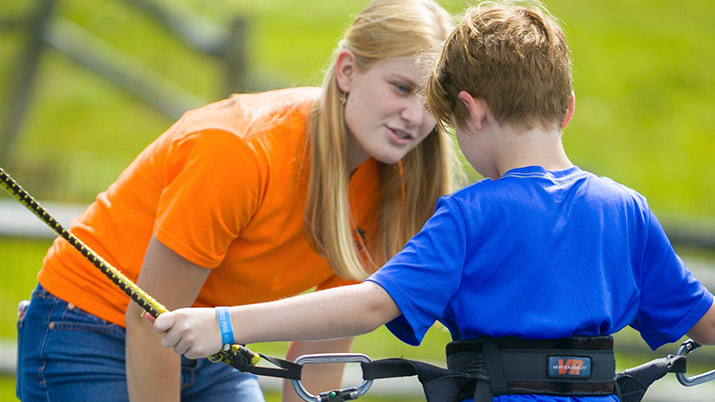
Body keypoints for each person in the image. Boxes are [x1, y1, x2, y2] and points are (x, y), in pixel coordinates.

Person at [152, 2, 715, 402]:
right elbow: (705, 321)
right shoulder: (627, 211)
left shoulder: (470, 217)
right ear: (567, 107)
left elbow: (369, 305)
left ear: (469, 111)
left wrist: (224, 324)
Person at [15, 1, 462, 401]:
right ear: (347, 70)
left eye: (431, 100)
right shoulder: (240, 150)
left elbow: (320, 356)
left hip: (204, 342)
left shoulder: (398, 183)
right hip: (94, 325)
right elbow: (149, 319)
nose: (416, 116)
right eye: (402, 88)